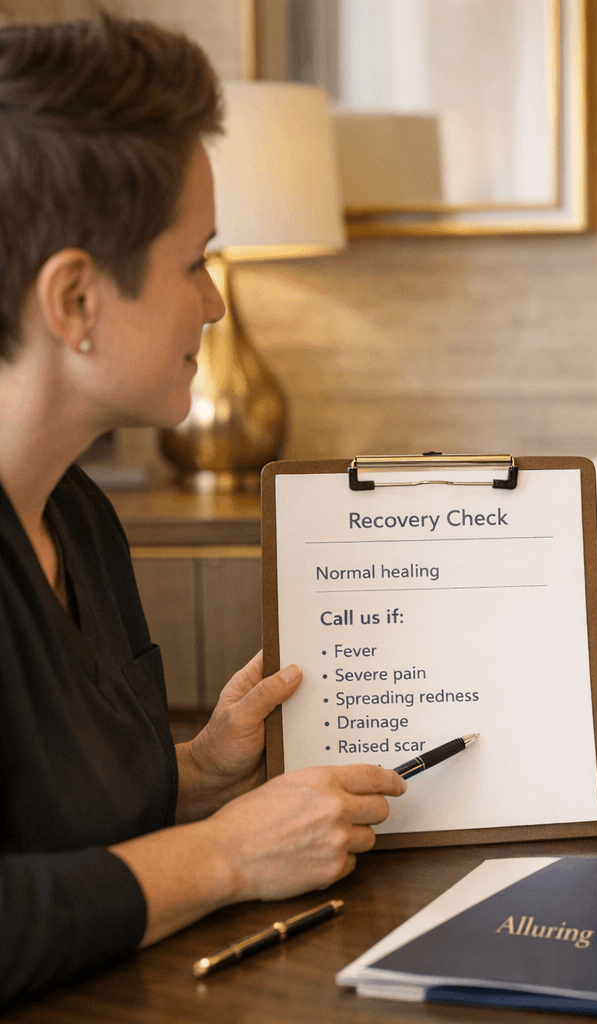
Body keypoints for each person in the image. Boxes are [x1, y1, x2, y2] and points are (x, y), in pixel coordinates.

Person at [0, 15, 405, 1005]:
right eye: (196, 261)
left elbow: (55, 825)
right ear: (76, 301)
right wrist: (227, 855)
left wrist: (201, 768)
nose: (213, 304)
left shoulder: (80, 517)